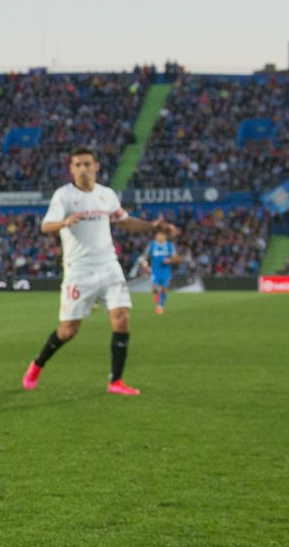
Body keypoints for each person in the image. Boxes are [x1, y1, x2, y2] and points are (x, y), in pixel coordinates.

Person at [22, 148, 178, 395]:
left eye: (87, 164)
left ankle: (115, 381)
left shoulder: (107, 195)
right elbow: (45, 226)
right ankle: (37, 365)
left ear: (96, 166)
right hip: (79, 271)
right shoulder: (63, 196)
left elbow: (124, 221)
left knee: (121, 318)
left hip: (109, 266)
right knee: (68, 331)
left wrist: (152, 226)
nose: (83, 169)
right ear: (71, 169)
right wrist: (64, 222)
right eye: (77, 165)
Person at [146, 226, 179, 314]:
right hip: (155, 271)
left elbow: (176, 258)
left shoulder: (170, 245)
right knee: (155, 288)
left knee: (164, 288)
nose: (159, 236)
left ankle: (160, 306)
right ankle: (156, 294)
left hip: (166, 271)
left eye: (161, 235)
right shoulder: (152, 244)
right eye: (158, 235)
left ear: (165, 236)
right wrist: (146, 266)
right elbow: (145, 256)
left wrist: (170, 260)